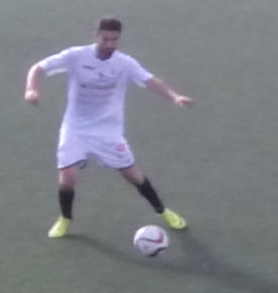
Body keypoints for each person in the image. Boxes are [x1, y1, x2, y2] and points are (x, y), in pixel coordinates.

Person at [24, 17, 192, 238]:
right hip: (76, 128)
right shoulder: (76, 55)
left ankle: (163, 211)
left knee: (132, 174)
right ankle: (65, 218)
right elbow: (37, 68)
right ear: (96, 36)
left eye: (115, 39)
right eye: (106, 39)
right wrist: (31, 90)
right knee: (67, 177)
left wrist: (174, 96)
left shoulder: (124, 63)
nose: (111, 44)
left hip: (108, 130)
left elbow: (151, 80)